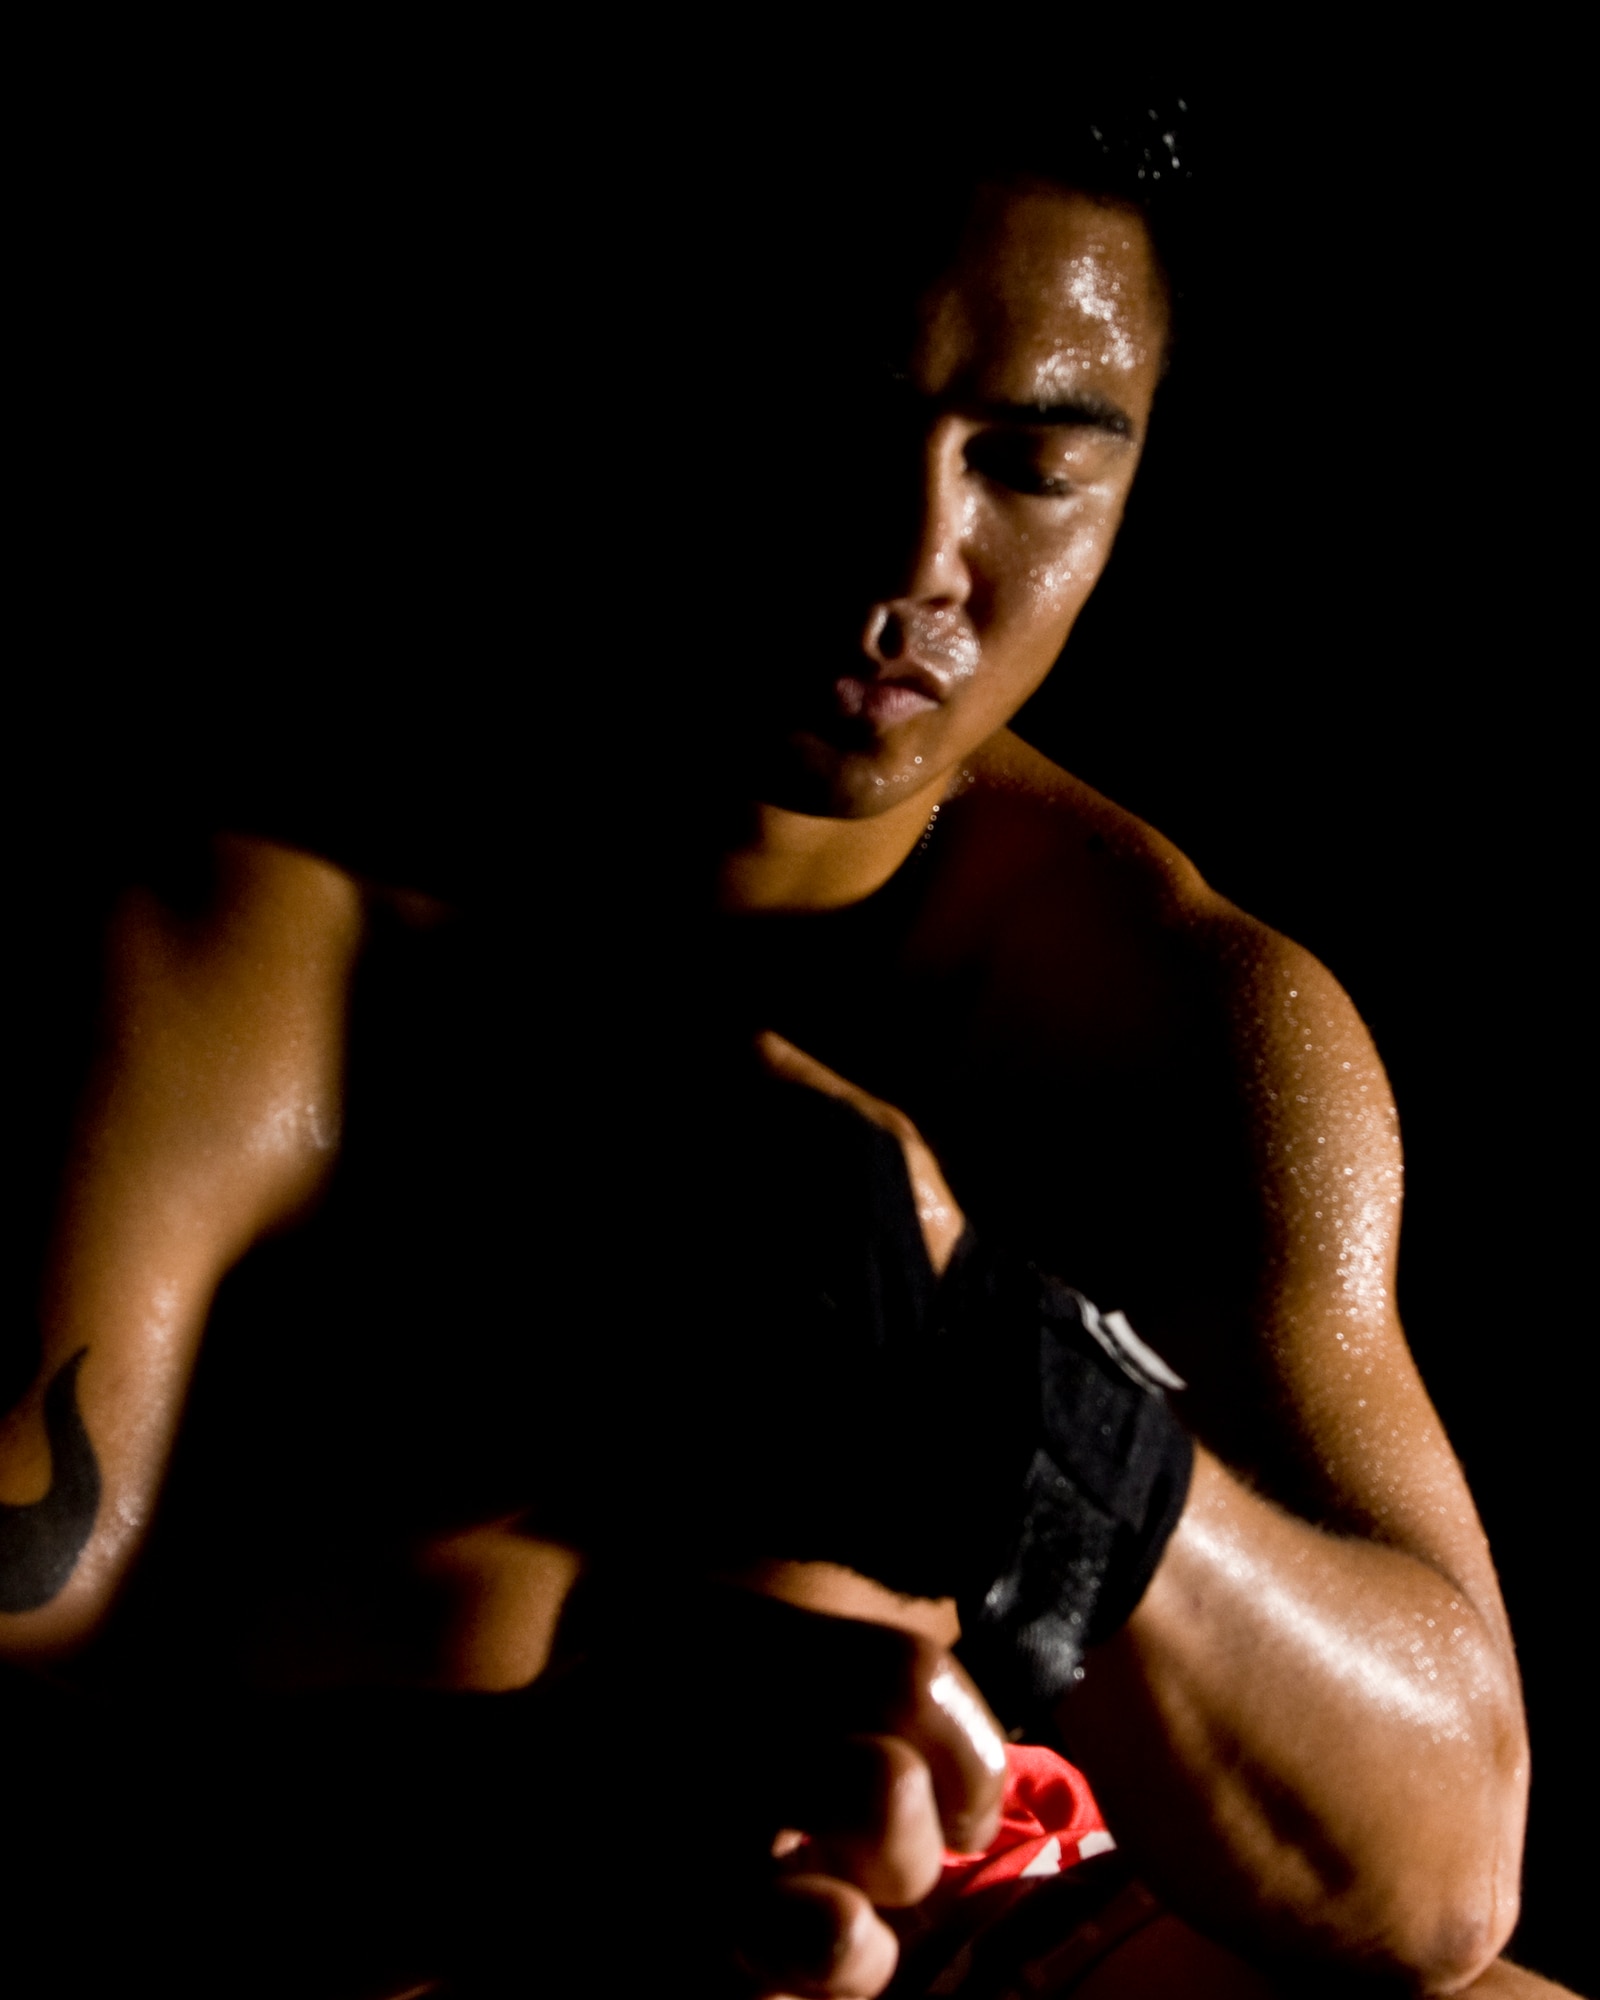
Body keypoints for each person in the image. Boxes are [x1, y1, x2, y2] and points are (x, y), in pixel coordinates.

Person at [0, 105, 1574, 1997]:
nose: (913, 550)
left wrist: (1015, 1385)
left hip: (959, 1933)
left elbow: (1442, 1865)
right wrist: (491, 1815)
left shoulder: (1160, 1011)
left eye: (1029, 467)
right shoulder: (244, 944)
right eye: (831, 417)